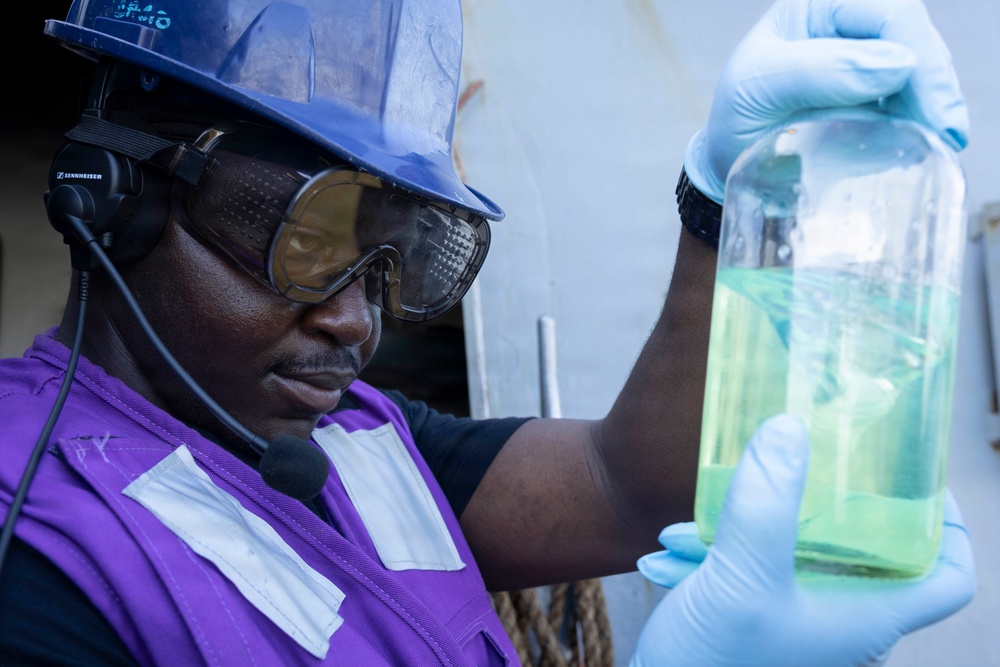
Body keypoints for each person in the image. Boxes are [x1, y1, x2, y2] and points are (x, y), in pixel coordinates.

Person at [0, 0, 975, 665]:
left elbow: (625, 486)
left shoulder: (361, 441)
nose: (354, 320)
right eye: (301, 239)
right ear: (110, 202)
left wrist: (720, 192)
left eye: (389, 261)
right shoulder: (31, 560)